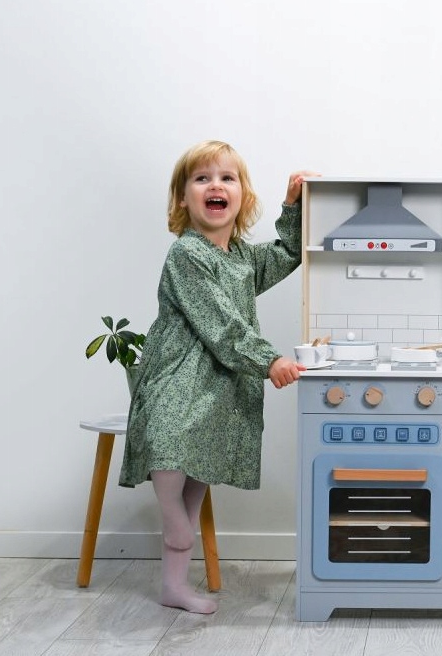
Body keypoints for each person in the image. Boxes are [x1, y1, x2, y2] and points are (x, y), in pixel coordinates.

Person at [119, 139, 316, 614]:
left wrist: (293, 204)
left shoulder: (242, 259)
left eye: (227, 178)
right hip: (179, 375)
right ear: (183, 198)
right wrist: (269, 360)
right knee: (169, 442)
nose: (216, 185)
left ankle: (173, 583)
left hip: (219, 386)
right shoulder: (187, 254)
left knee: (198, 474)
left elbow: (289, 252)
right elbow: (222, 324)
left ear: (242, 197)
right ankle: (175, 524)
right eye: (202, 178)